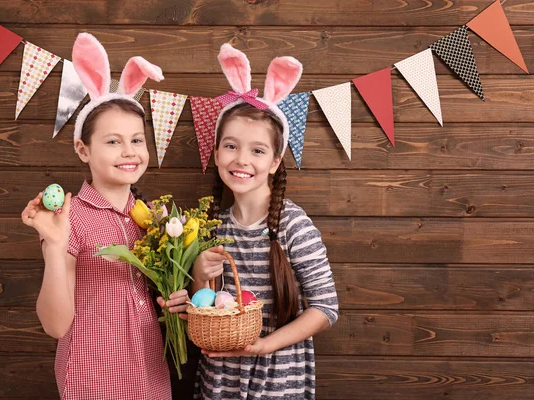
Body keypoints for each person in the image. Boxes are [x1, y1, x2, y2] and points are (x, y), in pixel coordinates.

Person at [21, 33, 187, 399]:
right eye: (113, 141)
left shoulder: (156, 220)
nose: (129, 152)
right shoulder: (68, 218)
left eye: (137, 140)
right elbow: (55, 324)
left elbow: (167, 297)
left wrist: (183, 295)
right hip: (92, 379)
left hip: (151, 376)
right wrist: (55, 244)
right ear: (83, 149)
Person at [191, 43, 339, 399]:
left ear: (275, 162)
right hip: (221, 379)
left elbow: (325, 309)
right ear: (215, 153)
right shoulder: (210, 226)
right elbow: (204, 305)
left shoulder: (293, 225)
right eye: (231, 146)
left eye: (257, 150)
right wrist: (199, 271)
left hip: (278, 380)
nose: (241, 159)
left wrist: (264, 345)